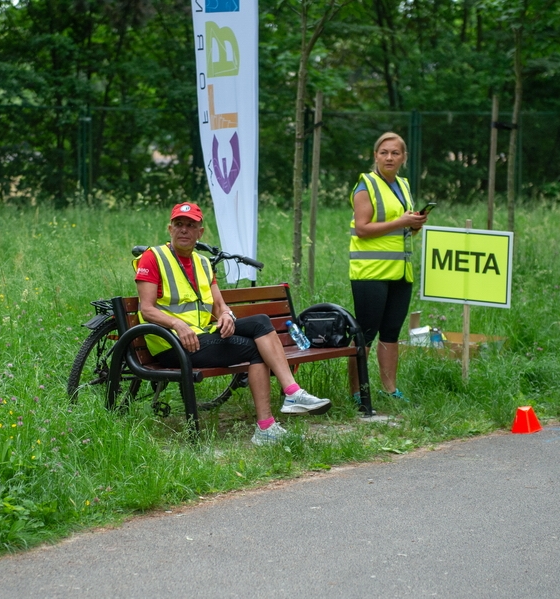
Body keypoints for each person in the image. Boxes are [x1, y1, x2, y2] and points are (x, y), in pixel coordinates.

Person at [135, 202, 331, 446]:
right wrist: (177, 324)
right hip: (172, 345)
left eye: (190, 225)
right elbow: (147, 309)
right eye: (179, 225)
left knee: (260, 322)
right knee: (255, 348)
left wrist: (227, 314)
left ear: (200, 232)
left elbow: (219, 304)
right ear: (170, 229)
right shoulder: (153, 257)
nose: (184, 230)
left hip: (201, 336)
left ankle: (291, 394)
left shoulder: (203, 263)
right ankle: (267, 426)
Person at [347, 132, 428, 404]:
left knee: (392, 332)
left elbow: (402, 230)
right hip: (370, 273)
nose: (389, 157)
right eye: (384, 152)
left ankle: (390, 389)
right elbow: (362, 228)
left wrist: (414, 225)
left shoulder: (403, 186)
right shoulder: (365, 185)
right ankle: (357, 392)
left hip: (401, 272)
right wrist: (402, 221)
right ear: (375, 156)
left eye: (395, 153)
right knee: (366, 333)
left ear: (403, 157)